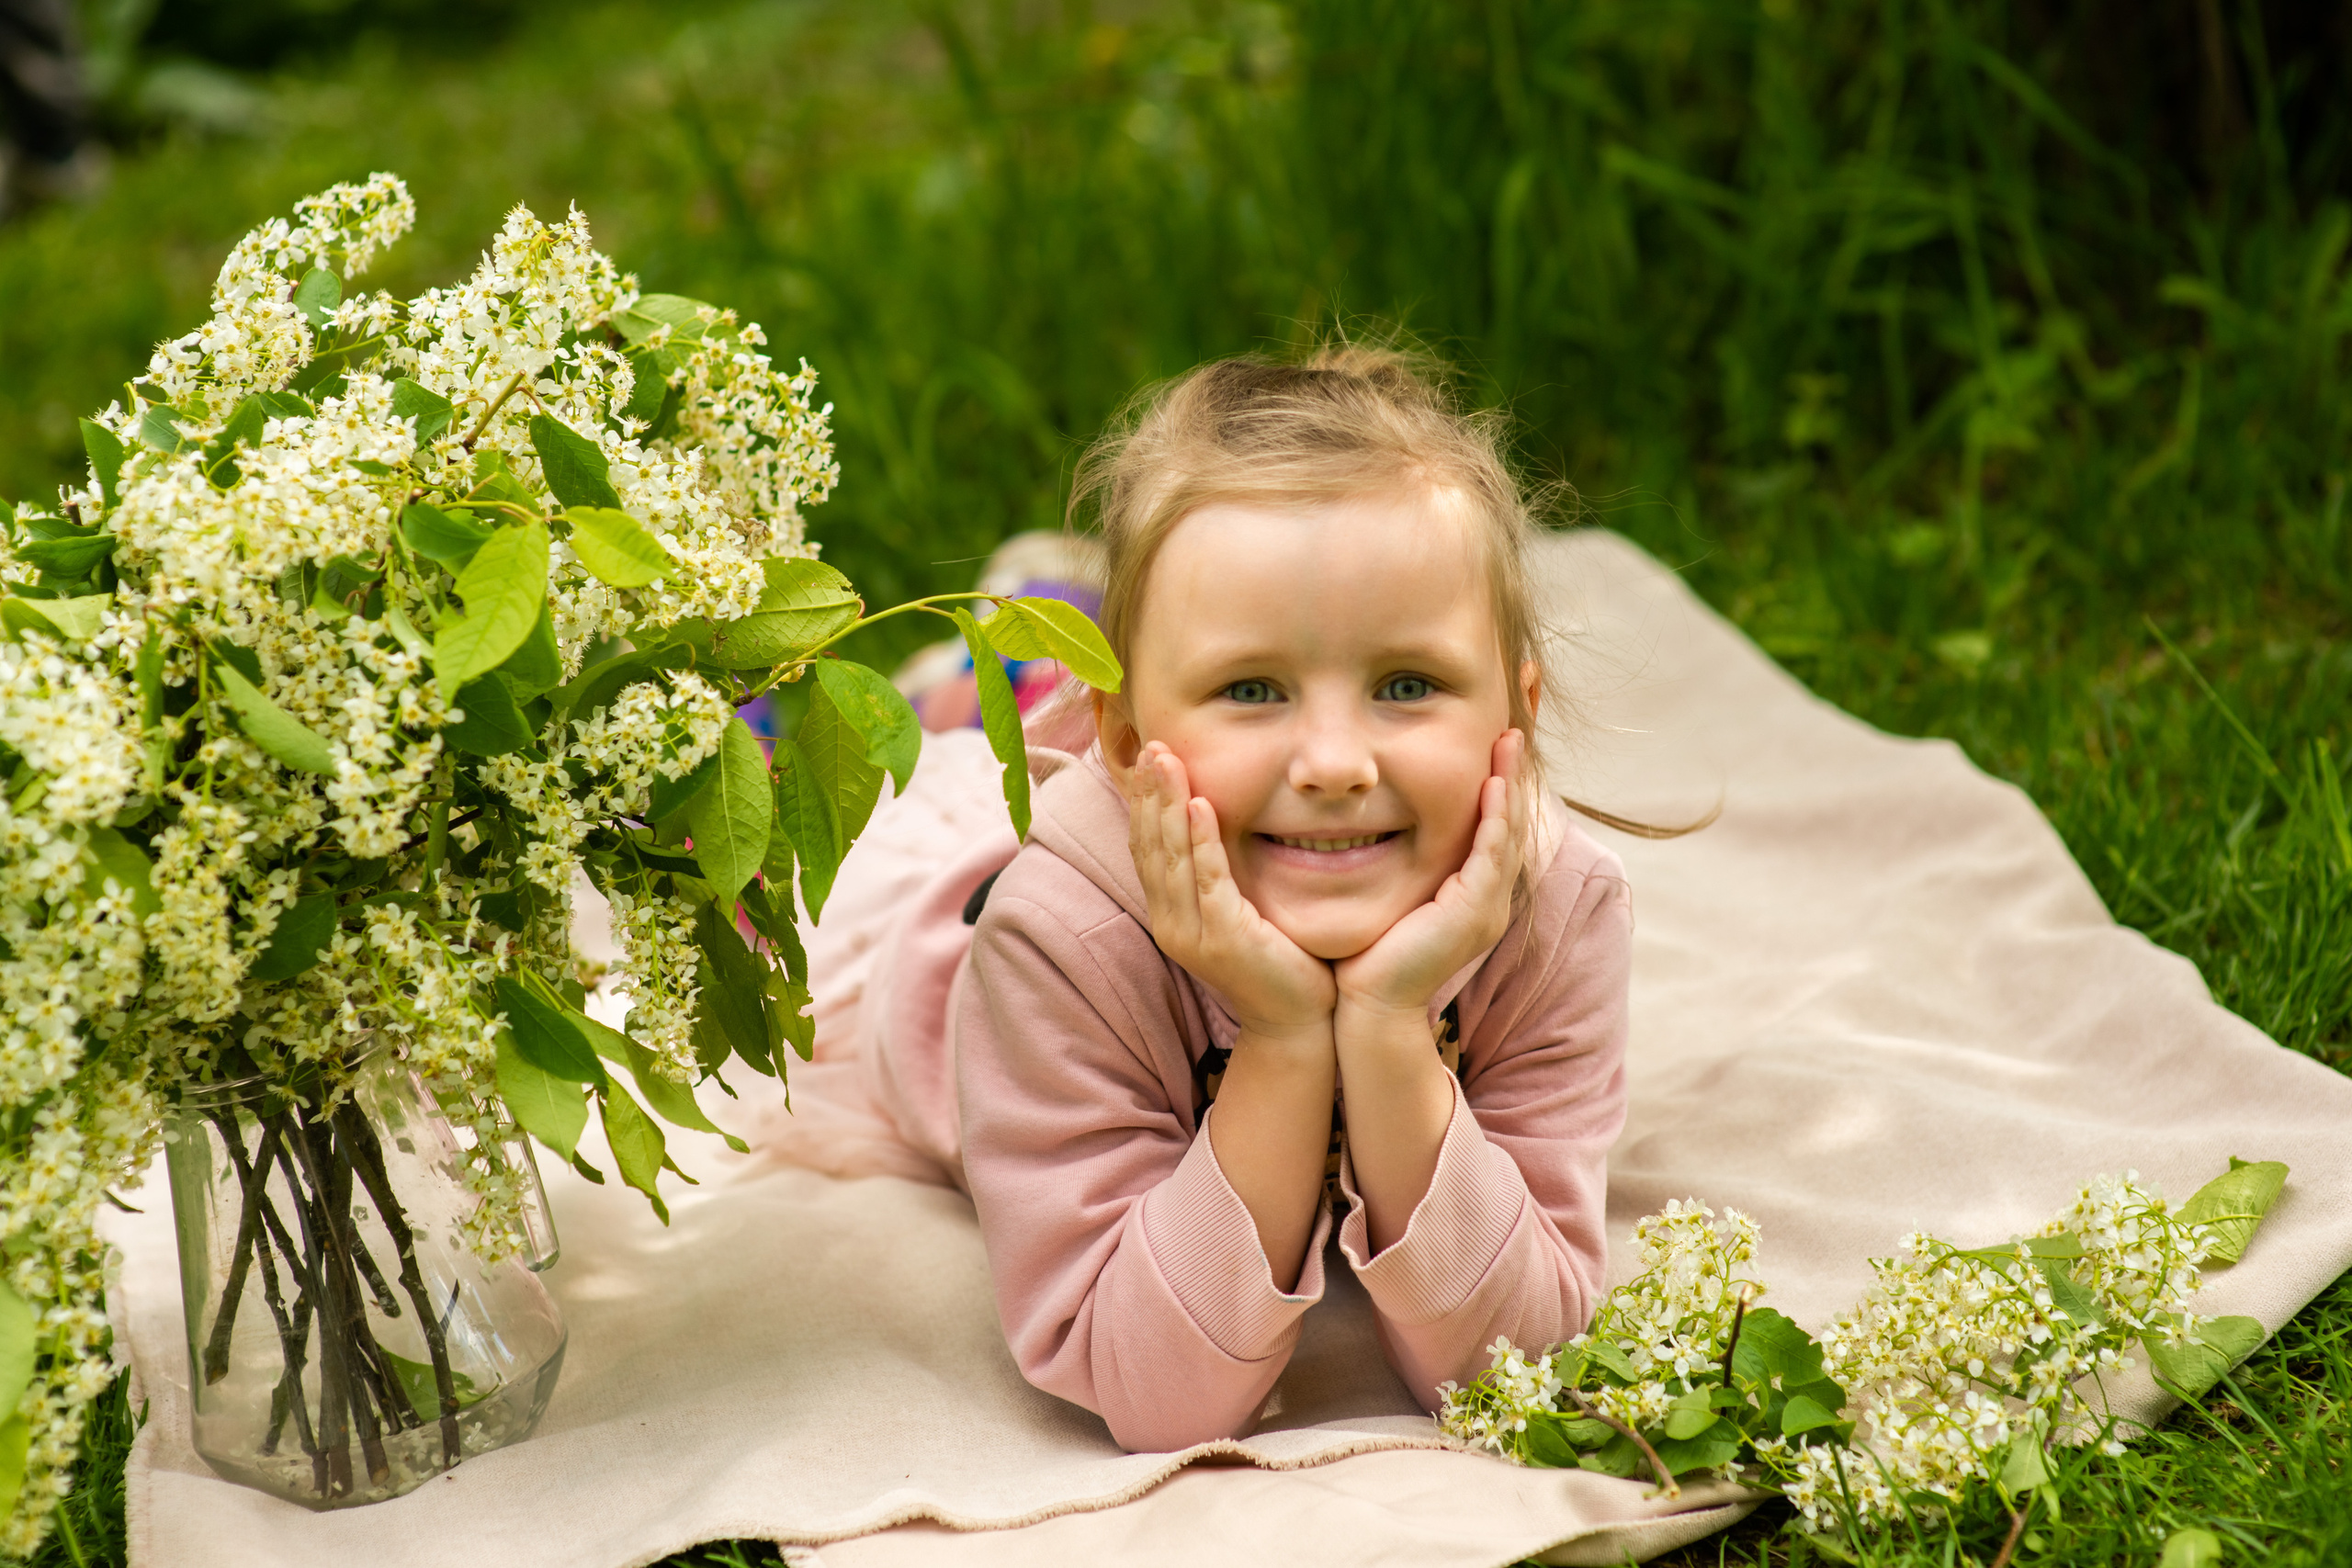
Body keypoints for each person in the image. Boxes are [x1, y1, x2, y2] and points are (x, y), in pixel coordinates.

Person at [765, 345, 1684, 1451]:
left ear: (1515, 717)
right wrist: (1287, 1036)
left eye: (1407, 684)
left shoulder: (1554, 912)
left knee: (1013, 694)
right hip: (914, 909)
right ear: (1125, 740)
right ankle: (968, 680)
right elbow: (1154, 1392)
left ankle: (1044, 645)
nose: (1336, 762)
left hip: (1126, 755)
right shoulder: (1057, 942)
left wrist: (1391, 1028)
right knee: (790, 821)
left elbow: (1516, 1365)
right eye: (1253, 688)